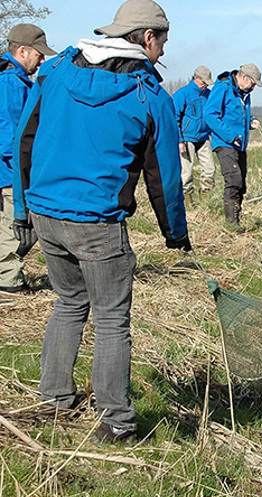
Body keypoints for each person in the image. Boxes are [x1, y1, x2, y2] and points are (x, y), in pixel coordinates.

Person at [12, 0, 190, 443]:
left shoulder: (55, 71)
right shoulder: (149, 94)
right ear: (147, 37)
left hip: (46, 214)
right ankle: (117, 423)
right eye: (163, 40)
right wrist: (176, 234)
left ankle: (53, 398)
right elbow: (164, 174)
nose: (164, 50)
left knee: (69, 303)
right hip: (96, 223)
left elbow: (25, 141)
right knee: (111, 319)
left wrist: (22, 213)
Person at [0, 24, 55, 293]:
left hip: (9, 169)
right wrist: (28, 168)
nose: (41, 60)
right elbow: (11, 136)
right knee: (13, 228)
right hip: (9, 172)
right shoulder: (10, 82)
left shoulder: (10, 78)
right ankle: (9, 284)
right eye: (38, 54)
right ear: (22, 51)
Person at [204, 63, 262, 232]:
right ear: (244, 77)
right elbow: (210, 115)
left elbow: (238, 114)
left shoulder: (245, 93)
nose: (253, 87)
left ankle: (237, 217)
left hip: (240, 144)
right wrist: (230, 135)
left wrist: (250, 121)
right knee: (233, 179)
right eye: (253, 83)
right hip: (225, 142)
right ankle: (231, 225)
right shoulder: (223, 88)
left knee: (241, 184)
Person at [173, 65, 215, 207]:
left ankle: (205, 201)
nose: (205, 86)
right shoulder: (182, 94)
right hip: (186, 139)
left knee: (210, 170)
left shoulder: (209, 95)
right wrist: (179, 140)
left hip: (204, 138)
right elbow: (175, 118)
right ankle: (188, 205)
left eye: (207, 83)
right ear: (196, 78)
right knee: (186, 174)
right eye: (203, 82)